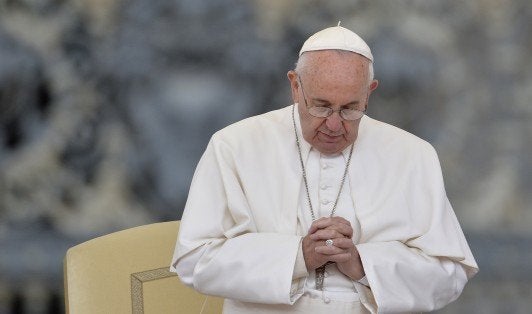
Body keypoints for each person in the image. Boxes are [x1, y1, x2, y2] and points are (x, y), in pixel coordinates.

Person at [170, 24, 478, 313]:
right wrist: (298, 257)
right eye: (320, 105)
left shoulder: (413, 155)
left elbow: (449, 273)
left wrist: (363, 263)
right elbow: (193, 261)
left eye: (350, 109)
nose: (333, 124)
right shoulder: (234, 146)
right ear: (295, 86)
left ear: (369, 92)